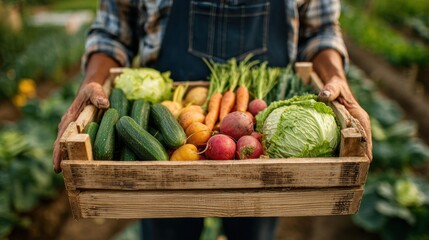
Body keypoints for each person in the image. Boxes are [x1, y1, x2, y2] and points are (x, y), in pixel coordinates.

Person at [53, 0, 372, 239]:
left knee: (255, 230)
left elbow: (321, 31)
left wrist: (336, 78)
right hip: (165, 149)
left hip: (264, 152)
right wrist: (91, 81)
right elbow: (112, 32)